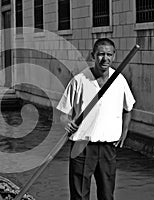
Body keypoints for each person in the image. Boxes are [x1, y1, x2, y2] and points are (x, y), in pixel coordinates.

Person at [56, 38, 135, 200]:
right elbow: (63, 114)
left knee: (107, 195)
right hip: (81, 147)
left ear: (114, 56)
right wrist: (67, 123)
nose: (104, 58)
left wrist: (124, 131)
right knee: (79, 196)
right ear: (93, 55)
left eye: (108, 54)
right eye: (100, 54)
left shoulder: (119, 80)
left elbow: (128, 109)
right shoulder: (79, 80)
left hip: (107, 148)